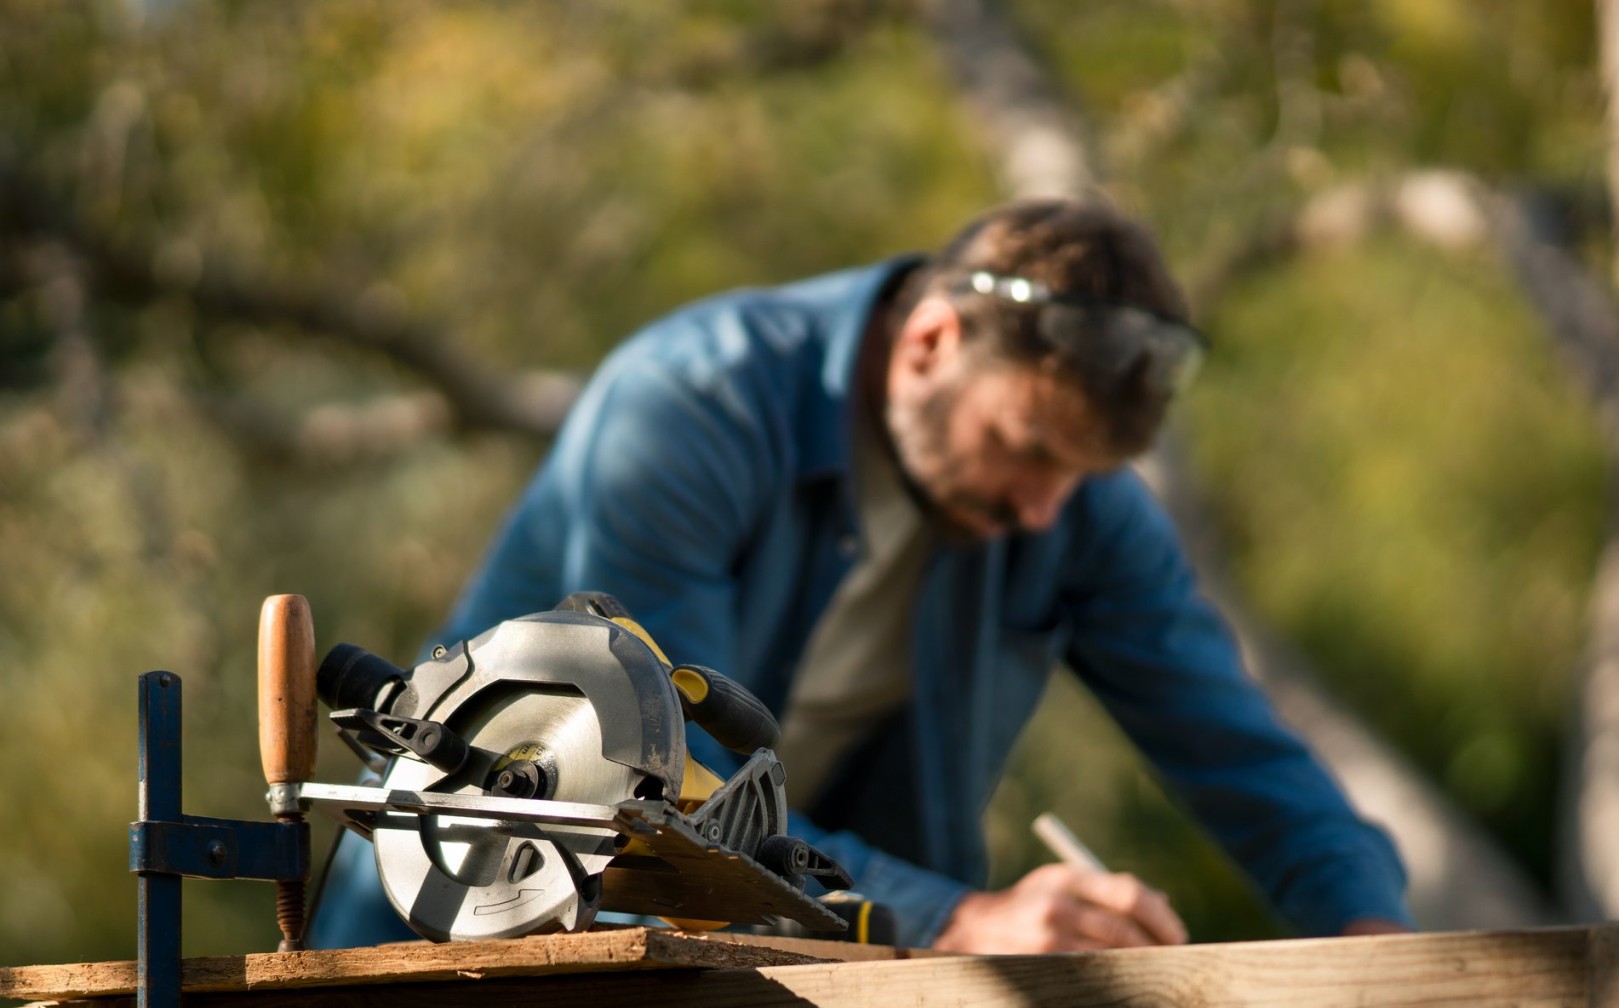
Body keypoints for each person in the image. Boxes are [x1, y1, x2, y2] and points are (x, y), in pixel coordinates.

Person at [309, 198, 1412, 952]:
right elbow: (666, 780)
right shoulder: (688, 407)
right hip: (470, 941)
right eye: (1028, 449)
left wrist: (1370, 938)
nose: (1046, 511)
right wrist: (961, 921)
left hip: (800, 974)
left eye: (1081, 476)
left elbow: (1243, 755)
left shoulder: (1075, 506)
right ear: (930, 340)